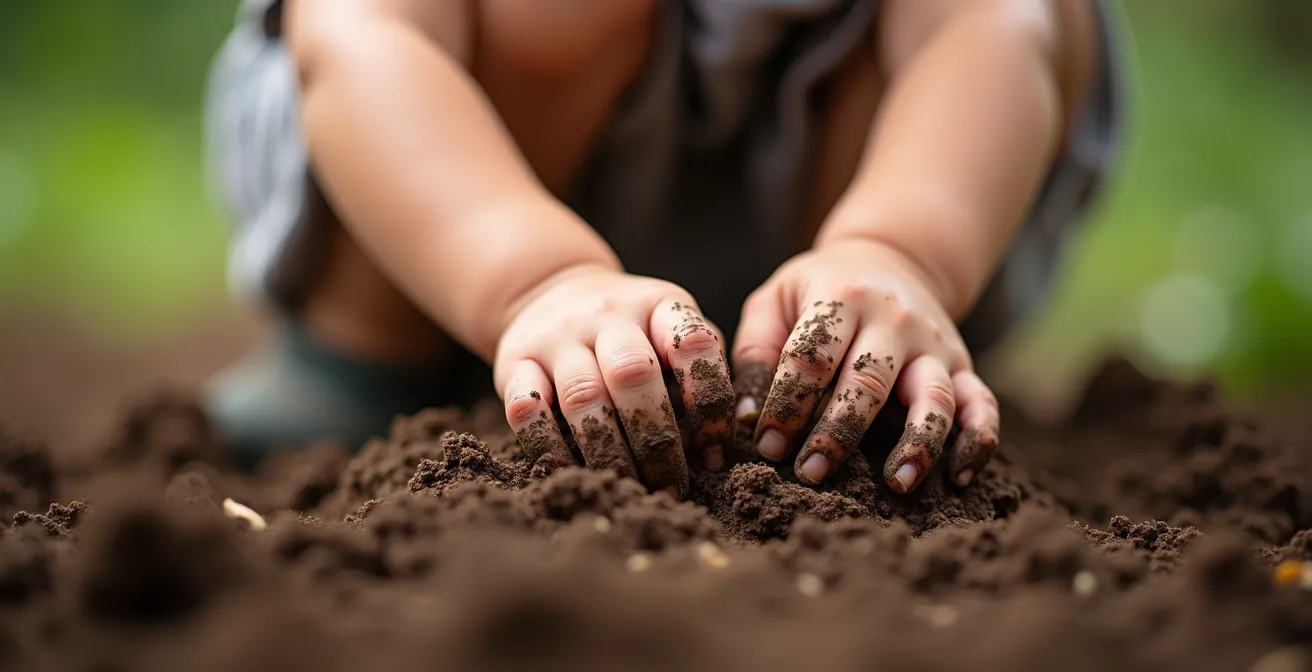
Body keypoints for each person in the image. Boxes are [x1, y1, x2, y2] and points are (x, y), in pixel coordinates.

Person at [203, 0, 1123, 497]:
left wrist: (899, 250)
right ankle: (365, 358)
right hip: (444, 206)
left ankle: (847, 356)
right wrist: (538, 278)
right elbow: (367, 39)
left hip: (826, 208)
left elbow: (993, 30)